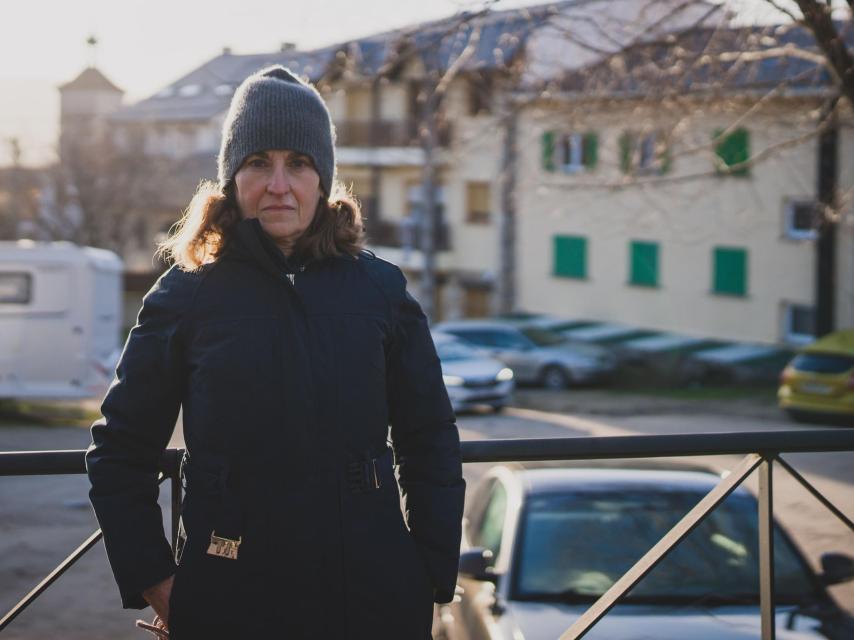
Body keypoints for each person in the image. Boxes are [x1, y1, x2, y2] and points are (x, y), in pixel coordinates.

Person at [86, 65, 465, 639]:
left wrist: (428, 574)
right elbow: (119, 453)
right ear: (233, 178)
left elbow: (430, 440)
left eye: (300, 163)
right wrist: (159, 583)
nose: (279, 184)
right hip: (231, 599)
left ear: (324, 178)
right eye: (259, 162)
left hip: (370, 601)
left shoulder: (381, 291)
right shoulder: (187, 295)